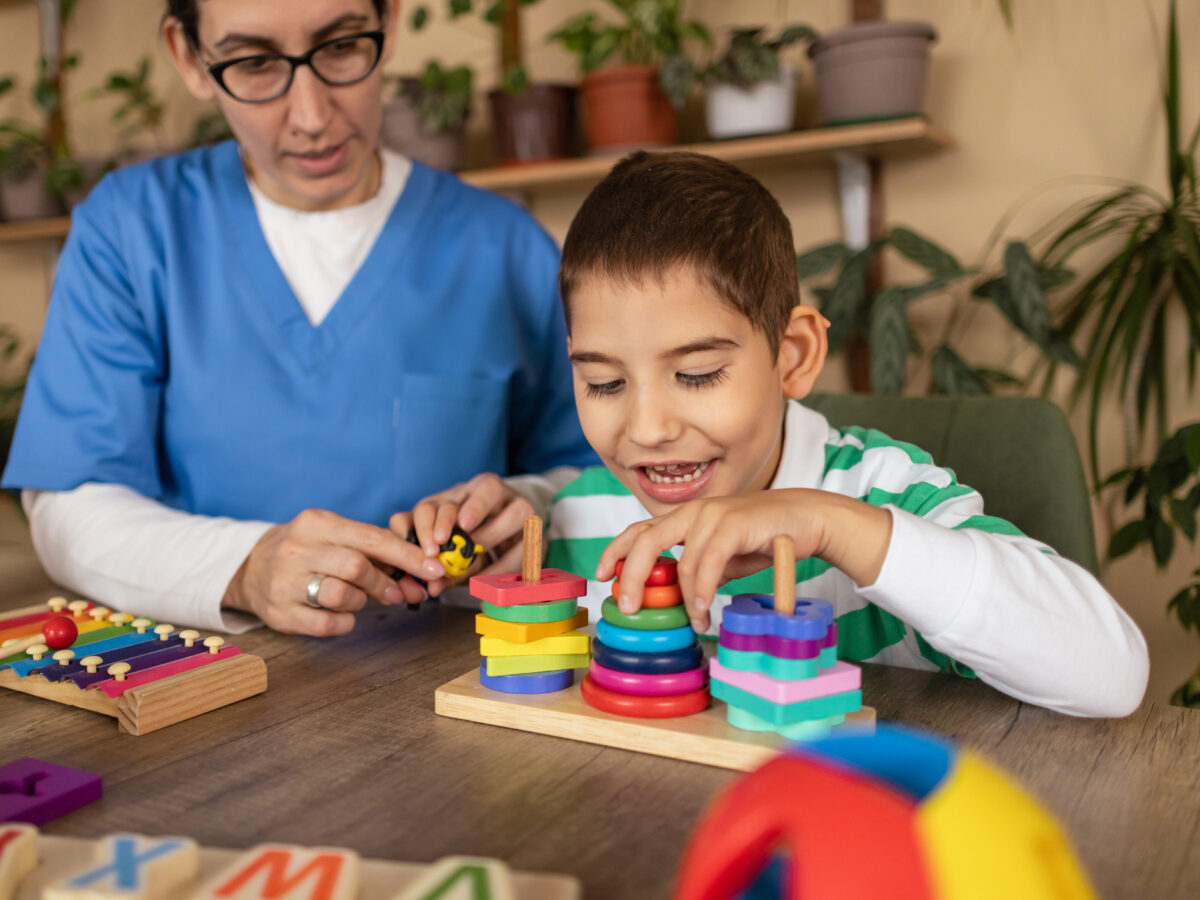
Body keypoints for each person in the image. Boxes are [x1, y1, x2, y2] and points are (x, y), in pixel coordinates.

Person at [1, 0, 593, 638]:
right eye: (255, 64)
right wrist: (244, 569)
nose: (312, 117)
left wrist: (522, 510)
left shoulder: (502, 247)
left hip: (461, 686)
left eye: (340, 48)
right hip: (201, 689)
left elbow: (591, 477)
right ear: (189, 56)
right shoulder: (130, 230)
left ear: (389, 25)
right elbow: (70, 507)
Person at [541, 150, 1148, 718]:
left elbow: (1113, 672)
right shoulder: (581, 514)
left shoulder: (882, 497)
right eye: (603, 383)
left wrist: (831, 526)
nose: (649, 430)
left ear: (793, 355)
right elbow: (532, 525)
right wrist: (492, 516)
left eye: (697, 375)